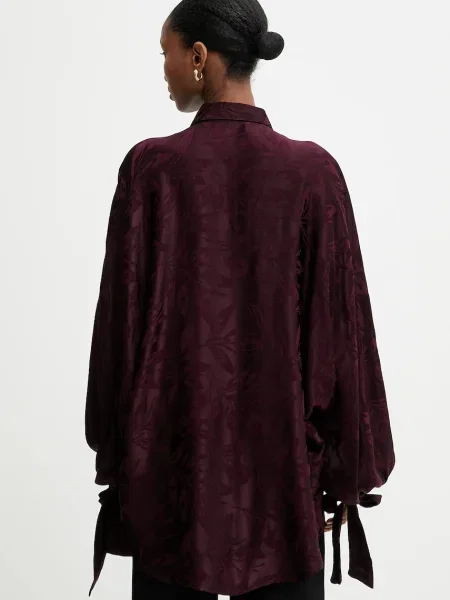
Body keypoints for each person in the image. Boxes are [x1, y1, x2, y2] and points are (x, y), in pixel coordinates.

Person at [84, 0, 396, 598]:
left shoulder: (151, 169)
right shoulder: (313, 172)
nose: (164, 69)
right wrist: (342, 473)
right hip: (286, 481)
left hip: (170, 481)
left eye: (166, 53)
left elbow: (119, 333)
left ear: (199, 56)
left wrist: (119, 460)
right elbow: (343, 333)